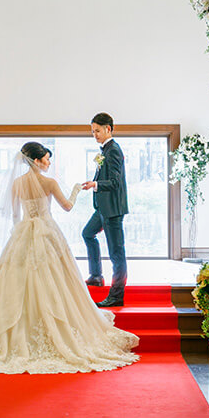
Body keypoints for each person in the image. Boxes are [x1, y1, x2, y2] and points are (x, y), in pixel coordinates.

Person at [0, 142, 139, 374]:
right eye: (47, 159)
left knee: (17, 280)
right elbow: (67, 207)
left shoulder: (17, 184)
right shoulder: (49, 183)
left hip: (22, 235)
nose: (49, 162)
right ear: (37, 160)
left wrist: (20, 235)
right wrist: (77, 189)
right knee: (57, 279)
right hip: (48, 233)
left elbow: (14, 216)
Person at [81, 112, 128, 307]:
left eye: (97, 131)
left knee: (117, 253)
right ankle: (96, 275)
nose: (95, 135)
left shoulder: (114, 150)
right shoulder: (105, 150)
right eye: (93, 131)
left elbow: (116, 182)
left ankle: (116, 295)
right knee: (87, 233)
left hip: (112, 210)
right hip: (102, 207)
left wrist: (95, 184)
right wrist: (95, 184)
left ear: (108, 129)